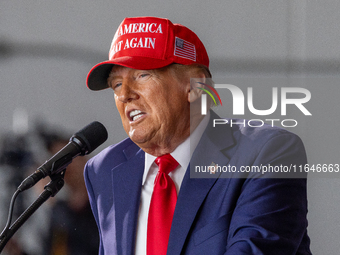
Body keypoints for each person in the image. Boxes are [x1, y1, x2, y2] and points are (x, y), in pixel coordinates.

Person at [84, 16, 311, 255]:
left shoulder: (267, 153)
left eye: (142, 75)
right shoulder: (105, 169)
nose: (125, 95)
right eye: (117, 84)